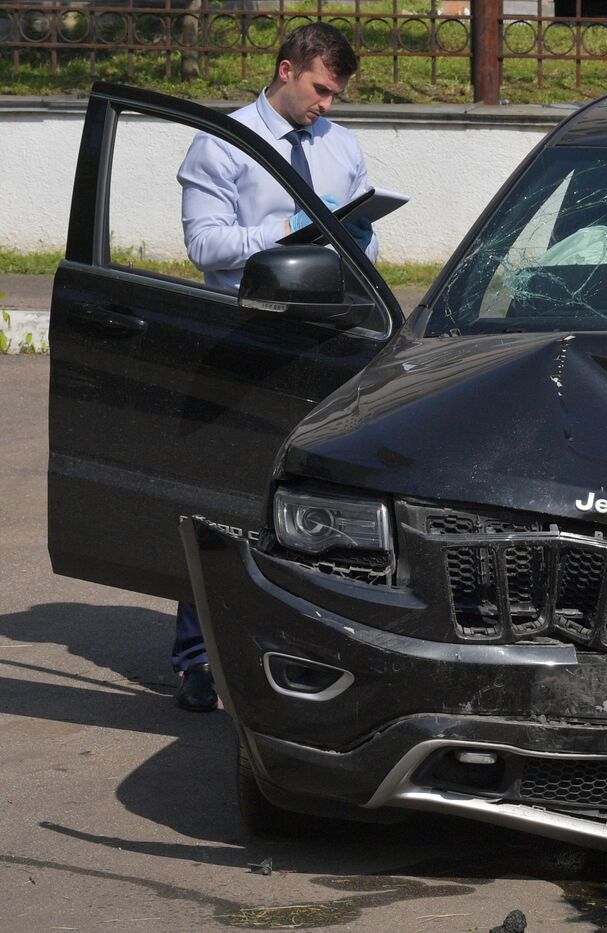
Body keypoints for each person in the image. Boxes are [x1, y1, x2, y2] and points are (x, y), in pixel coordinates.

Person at [170, 22, 378, 711]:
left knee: (304, 500)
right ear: (286, 69)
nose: (329, 103)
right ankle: (198, 658)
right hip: (242, 336)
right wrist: (295, 230)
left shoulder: (339, 145)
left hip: (325, 339)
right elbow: (206, 246)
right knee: (223, 492)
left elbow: (362, 235)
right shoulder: (223, 144)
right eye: (321, 88)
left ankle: (299, 644)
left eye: (337, 92)